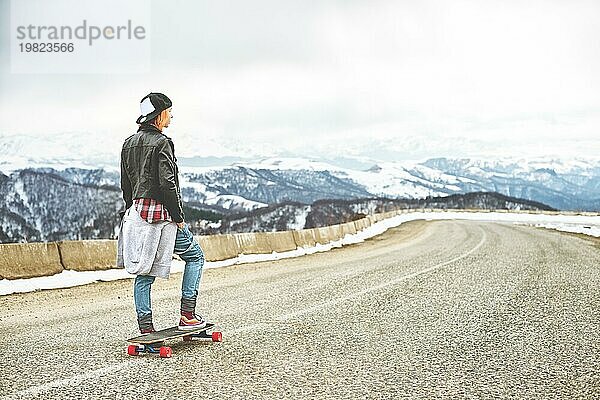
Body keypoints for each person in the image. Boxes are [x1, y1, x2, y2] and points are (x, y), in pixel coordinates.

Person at [117, 92, 207, 334]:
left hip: (137, 214)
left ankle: (146, 328)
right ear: (159, 115)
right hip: (162, 216)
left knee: (144, 270)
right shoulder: (162, 142)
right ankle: (188, 315)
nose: (171, 115)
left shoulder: (128, 143)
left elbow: (126, 184)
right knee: (195, 257)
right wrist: (178, 217)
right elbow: (168, 183)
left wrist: (131, 211)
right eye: (168, 111)